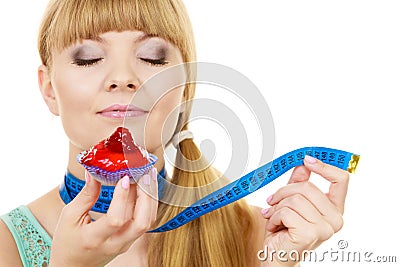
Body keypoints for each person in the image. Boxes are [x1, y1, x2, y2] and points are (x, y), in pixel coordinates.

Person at [0, 0, 350, 266]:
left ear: (185, 87)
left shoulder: (256, 233)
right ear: (48, 90)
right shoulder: (7, 245)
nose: (123, 77)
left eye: (152, 56)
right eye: (89, 57)